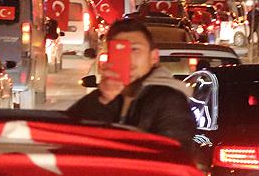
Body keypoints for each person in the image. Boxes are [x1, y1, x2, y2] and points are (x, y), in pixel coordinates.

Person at [67, 19, 196, 152]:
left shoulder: (169, 99)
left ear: (154, 57)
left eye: (135, 49)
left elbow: (174, 152)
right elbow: (69, 133)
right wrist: (104, 101)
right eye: (119, 49)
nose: (128, 57)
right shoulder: (99, 98)